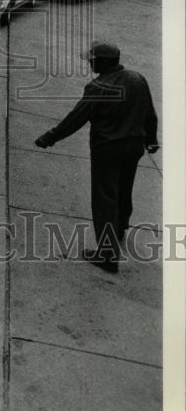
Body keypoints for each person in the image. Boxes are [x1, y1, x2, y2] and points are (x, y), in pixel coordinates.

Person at [35, 41, 158, 273]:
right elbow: (150, 114)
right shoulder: (138, 79)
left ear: (103, 62)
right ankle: (120, 228)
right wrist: (152, 139)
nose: (89, 62)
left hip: (107, 150)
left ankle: (108, 255)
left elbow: (76, 118)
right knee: (124, 189)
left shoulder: (98, 87)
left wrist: (49, 137)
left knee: (105, 200)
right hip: (133, 148)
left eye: (92, 59)